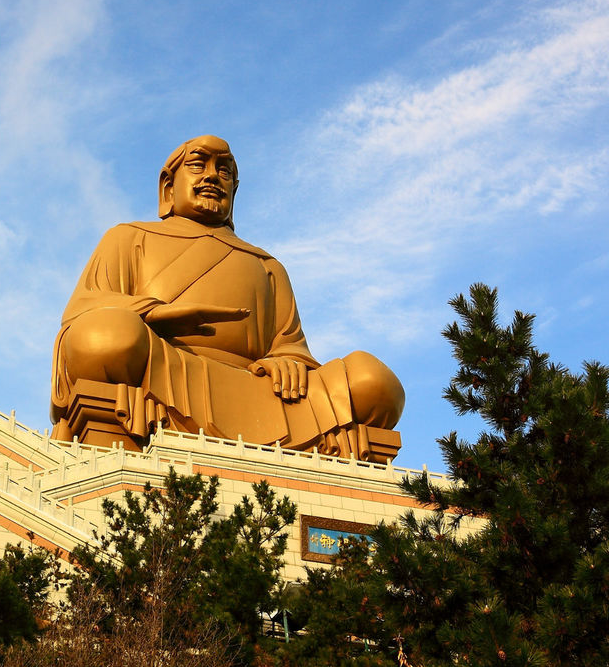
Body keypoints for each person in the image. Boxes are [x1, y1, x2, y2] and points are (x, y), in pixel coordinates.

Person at [49, 135, 404, 458]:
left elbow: (290, 343)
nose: (212, 176)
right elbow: (85, 309)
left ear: (234, 189)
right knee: (103, 337)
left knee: (372, 382)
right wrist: (155, 314)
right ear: (169, 186)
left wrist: (287, 360)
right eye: (198, 165)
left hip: (263, 394)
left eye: (224, 171)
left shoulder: (266, 265)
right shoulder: (129, 238)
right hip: (164, 371)